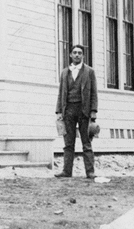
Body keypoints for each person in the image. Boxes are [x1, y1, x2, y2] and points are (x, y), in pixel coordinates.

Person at [54, 44, 98, 179]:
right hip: (68, 111)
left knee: (86, 143)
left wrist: (93, 111)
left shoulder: (89, 72)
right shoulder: (64, 72)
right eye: (75, 52)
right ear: (70, 55)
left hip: (84, 111)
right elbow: (61, 93)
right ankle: (66, 171)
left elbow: (94, 92)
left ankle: (90, 172)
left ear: (83, 55)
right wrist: (59, 111)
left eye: (79, 53)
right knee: (68, 143)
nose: (77, 55)